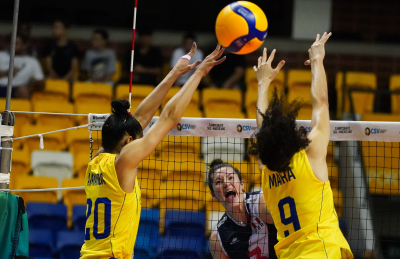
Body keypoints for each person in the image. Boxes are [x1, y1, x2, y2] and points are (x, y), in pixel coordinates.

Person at [80, 43, 226, 259]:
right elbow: (169, 118)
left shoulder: (97, 160)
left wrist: (174, 73)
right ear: (129, 141)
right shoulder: (124, 161)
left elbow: (138, 120)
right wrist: (199, 73)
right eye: (137, 139)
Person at [251, 33, 353, 258]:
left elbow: (264, 130)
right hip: (320, 251)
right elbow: (321, 103)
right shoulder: (310, 156)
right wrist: (317, 60)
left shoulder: (267, 171)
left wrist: (262, 84)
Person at [208, 159, 278, 259]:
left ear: (242, 184)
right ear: (214, 195)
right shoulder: (218, 238)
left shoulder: (262, 203)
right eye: (219, 182)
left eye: (231, 177)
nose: (226, 183)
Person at [0, 34, 44, 99]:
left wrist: (34, 82)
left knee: (23, 90)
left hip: (17, 88)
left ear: (24, 45)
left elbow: (42, 84)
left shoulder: (32, 61)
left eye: (16, 43)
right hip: (1, 86)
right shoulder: (1, 55)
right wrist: (6, 73)